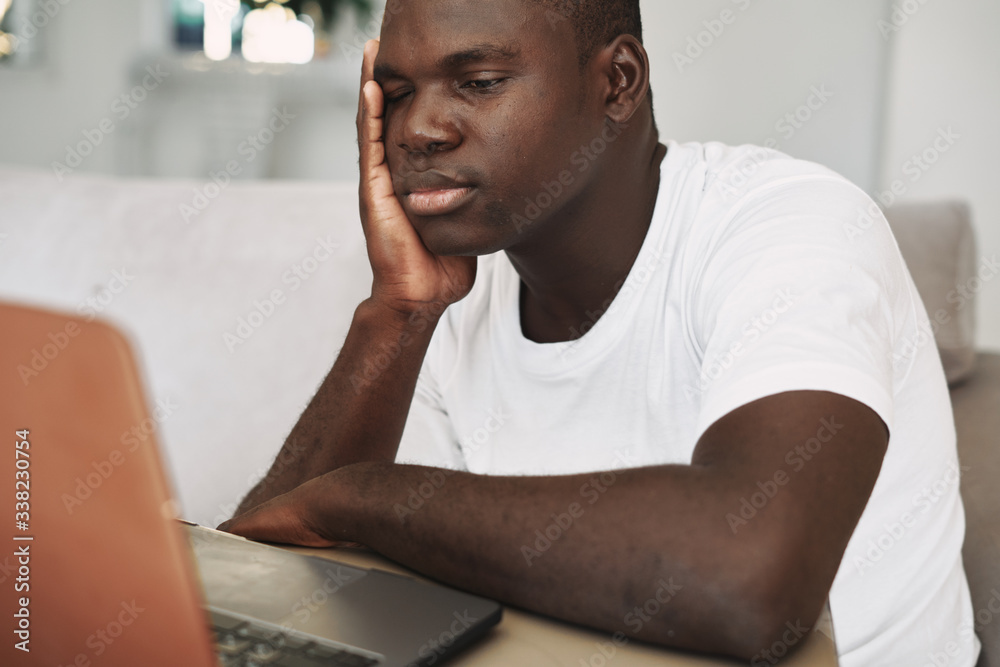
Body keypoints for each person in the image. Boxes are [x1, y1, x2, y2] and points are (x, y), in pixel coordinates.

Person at [218, 1, 980, 664]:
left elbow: (752, 578)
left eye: (479, 82)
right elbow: (253, 591)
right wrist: (398, 311)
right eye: (396, 91)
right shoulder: (454, 300)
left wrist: (358, 500)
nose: (418, 128)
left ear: (617, 82)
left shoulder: (790, 224)